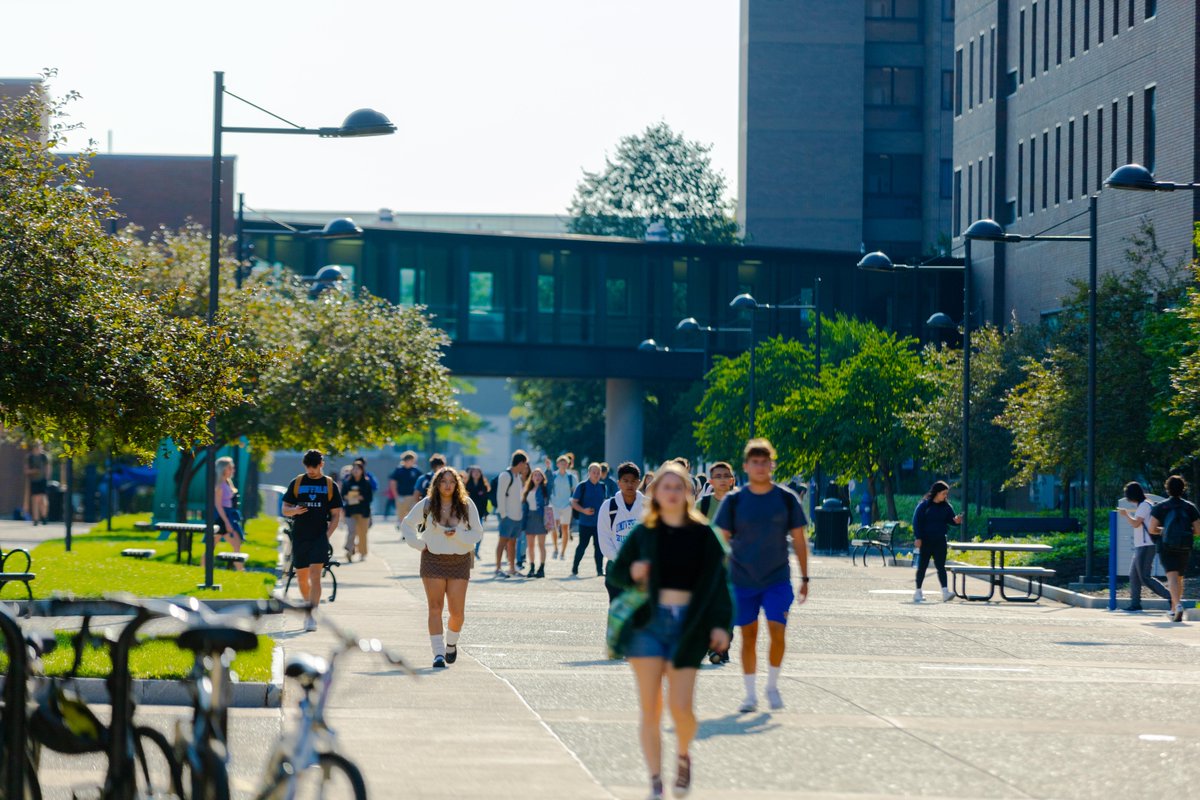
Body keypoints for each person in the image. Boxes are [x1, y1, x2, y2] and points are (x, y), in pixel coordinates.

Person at [609, 463, 733, 800]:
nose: (673, 492)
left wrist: (722, 626)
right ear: (656, 493)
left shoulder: (703, 534)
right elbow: (616, 575)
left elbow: (720, 584)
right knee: (650, 708)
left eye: (680, 487)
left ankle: (682, 755)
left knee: (681, 708)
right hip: (647, 626)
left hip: (687, 627)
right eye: (666, 486)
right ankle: (654, 781)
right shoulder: (643, 533)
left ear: (689, 494)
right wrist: (632, 570)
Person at [714, 438, 809, 713]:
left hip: (777, 578)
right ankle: (750, 694)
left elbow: (800, 540)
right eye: (754, 462)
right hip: (742, 579)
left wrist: (805, 578)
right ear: (745, 467)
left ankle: (772, 686)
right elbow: (721, 540)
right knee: (748, 636)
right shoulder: (734, 501)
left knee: (778, 633)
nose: (759, 467)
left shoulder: (785, 499)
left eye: (764, 462)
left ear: (772, 465)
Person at [400, 466, 483, 668]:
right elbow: (407, 525)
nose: (447, 485)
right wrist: (420, 544)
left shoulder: (465, 504)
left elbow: (477, 533)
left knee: (457, 613)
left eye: (451, 481)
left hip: (459, 560)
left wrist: (458, 535)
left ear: (457, 484)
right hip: (433, 560)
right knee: (435, 608)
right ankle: (438, 653)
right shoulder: (427, 504)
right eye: (443, 481)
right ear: (436, 484)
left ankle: (451, 644)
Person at [281, 450, 343, 632]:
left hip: (319, 537)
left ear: (321, 464)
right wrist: (294, 511)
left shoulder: (329, 485)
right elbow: (285, 508)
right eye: (307, 466)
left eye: (314, 467)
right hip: (300, 536)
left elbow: (335, 515)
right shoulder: (298, 482)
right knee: (301, 578)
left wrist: (326, 536)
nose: (311, 470)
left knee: (315, 575)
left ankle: (311, 614)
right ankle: (309, 605)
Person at [698, 461, 737, 664]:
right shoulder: (702, 505)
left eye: (726, 476)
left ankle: (722, 646)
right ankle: (716, 647)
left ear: (732, 480)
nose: (722, 480)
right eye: (718, 476)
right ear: (711, 481)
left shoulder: (741, 502)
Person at [1148, 475, 1200, 622]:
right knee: (1179, 577)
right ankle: (1173, 609)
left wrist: (1165, 530)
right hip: (1184, 545)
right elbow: (1198, 530)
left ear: (1167, 489)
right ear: (1183, 489)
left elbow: (1152, 529)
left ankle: (1177, 605)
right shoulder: (1189, 507)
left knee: (1172, 577)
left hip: (1166, 546)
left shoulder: (1161, 507)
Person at [598, 462, 644, 602]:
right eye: (625, 481)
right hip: (615, 566)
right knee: (617, 610)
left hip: (641, 567)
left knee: (640, 613)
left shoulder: (648, 506)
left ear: (639, 483)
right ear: (618, 483)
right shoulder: (609, 506)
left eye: (633, 481)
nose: (629, 485)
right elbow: (604, 539)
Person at [1121, 481, 1170, 612]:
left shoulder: (1144, 506)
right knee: (1134, 576)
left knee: (1144, 577)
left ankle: (1171, 597)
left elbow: (1136, 523)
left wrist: (1126, 515)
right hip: (1142, 545)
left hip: (1146, 545)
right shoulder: (1145, 504)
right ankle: (1135, 603)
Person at [912, 480, 961, 604]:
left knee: (941, 567)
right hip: (926, 541)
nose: (945, 496)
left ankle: (945, 592)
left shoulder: (946, 507)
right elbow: (916, 521)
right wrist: (918, 537)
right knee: (922, 566)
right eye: (943, 493)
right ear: (937, 493)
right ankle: (918, 592)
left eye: (946, 494)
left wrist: (956, 521)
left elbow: (951, 520)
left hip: (940, 540)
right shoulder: (924, 506)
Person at [495, 451, 530, 578]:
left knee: (513, 543)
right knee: (502, 542)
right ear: (520, 463)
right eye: (525, 464)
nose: (525, 467)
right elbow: (500, 496)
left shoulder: (517, 477)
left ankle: (511, 569)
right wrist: (504, 514)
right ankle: (498, 568)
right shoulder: (505, 475)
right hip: (507, 516)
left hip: (517, 516)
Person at [571, 463, 608, 577]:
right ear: (589, 473)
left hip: (599, 523)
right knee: (582, 546)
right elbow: (573, 502)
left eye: (598, 472)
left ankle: (599, 570)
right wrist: (583, 510)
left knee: (599, 547)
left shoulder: (603, 486)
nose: (596, 474)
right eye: (594, 472)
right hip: (585, 523)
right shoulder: (582, 486)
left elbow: (605, 503)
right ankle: (575, 568)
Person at [213, 456, 246, 571]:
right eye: (230, 468)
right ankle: (203, 568)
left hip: (229, 515)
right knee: (212, 545)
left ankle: (240, 569)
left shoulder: (228, 482)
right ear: (222, 469)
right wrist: (226, 522)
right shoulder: (219, 486)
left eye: (232, 467)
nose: (232, 470)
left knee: (236, 543)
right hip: (222, 517)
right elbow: (218, 505)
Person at [341, 461, 374, 562]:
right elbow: (343, 495)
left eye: (358, 469)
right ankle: (349, 551)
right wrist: (349, 497)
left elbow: (370, 498)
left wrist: (361, 497)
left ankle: (363, 553)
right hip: (350, 511)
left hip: (363, 512)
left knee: (362, 533)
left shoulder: (366, 483)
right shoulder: (347, 482)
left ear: (362, 470)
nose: (355, 471)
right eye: (354, 469)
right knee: (351, 531)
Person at [522, 468, 552, 578]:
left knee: (541, 545)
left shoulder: (544, 489)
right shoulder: (528, 489)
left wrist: (548, 469)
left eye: (539, 475)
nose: (537, 477)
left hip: (540, 518)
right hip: (529, 518)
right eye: (535, 475)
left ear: (542, 477)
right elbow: (524, 506)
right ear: (532, 477)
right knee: (530, 546)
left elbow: (551, 483)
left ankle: (542, 568)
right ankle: (532, 567)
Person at [549, 456, 577, 560]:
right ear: (557, 464)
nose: (563, 464)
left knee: (565, 529)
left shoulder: (571, 477)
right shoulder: (553, 475)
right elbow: (548, 489)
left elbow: (576, 491)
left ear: (568, 464)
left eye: (565, 463)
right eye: (561, 462)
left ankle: (563, 552)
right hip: (554, 505)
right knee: (554, 527)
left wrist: (572, 502)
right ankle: (556, 548)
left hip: (566, 506)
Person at [388, 451, 422, 523]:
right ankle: (403, 533)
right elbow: (392, 483)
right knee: (401, 517)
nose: (413, 462)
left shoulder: (416, 470)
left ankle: (409, 533)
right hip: (401, 496)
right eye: (412, 460)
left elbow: (420, 484)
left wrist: (417, 497)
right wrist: (396, 496)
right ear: (407, 460)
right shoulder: (399, 470)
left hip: (412, 497)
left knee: (412, 517)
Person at [25, 441, 49, 526]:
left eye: (39, 446)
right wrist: (34, 471)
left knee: (43, 499)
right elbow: (26, 471)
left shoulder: (44, 456)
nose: (37, 448)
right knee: (35, 499)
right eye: (36, 446)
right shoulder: (30, 457)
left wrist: (46, 478)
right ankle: (35, 519)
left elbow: (47, 468)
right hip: (34, 480)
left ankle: (44, 516)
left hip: (43, 480)